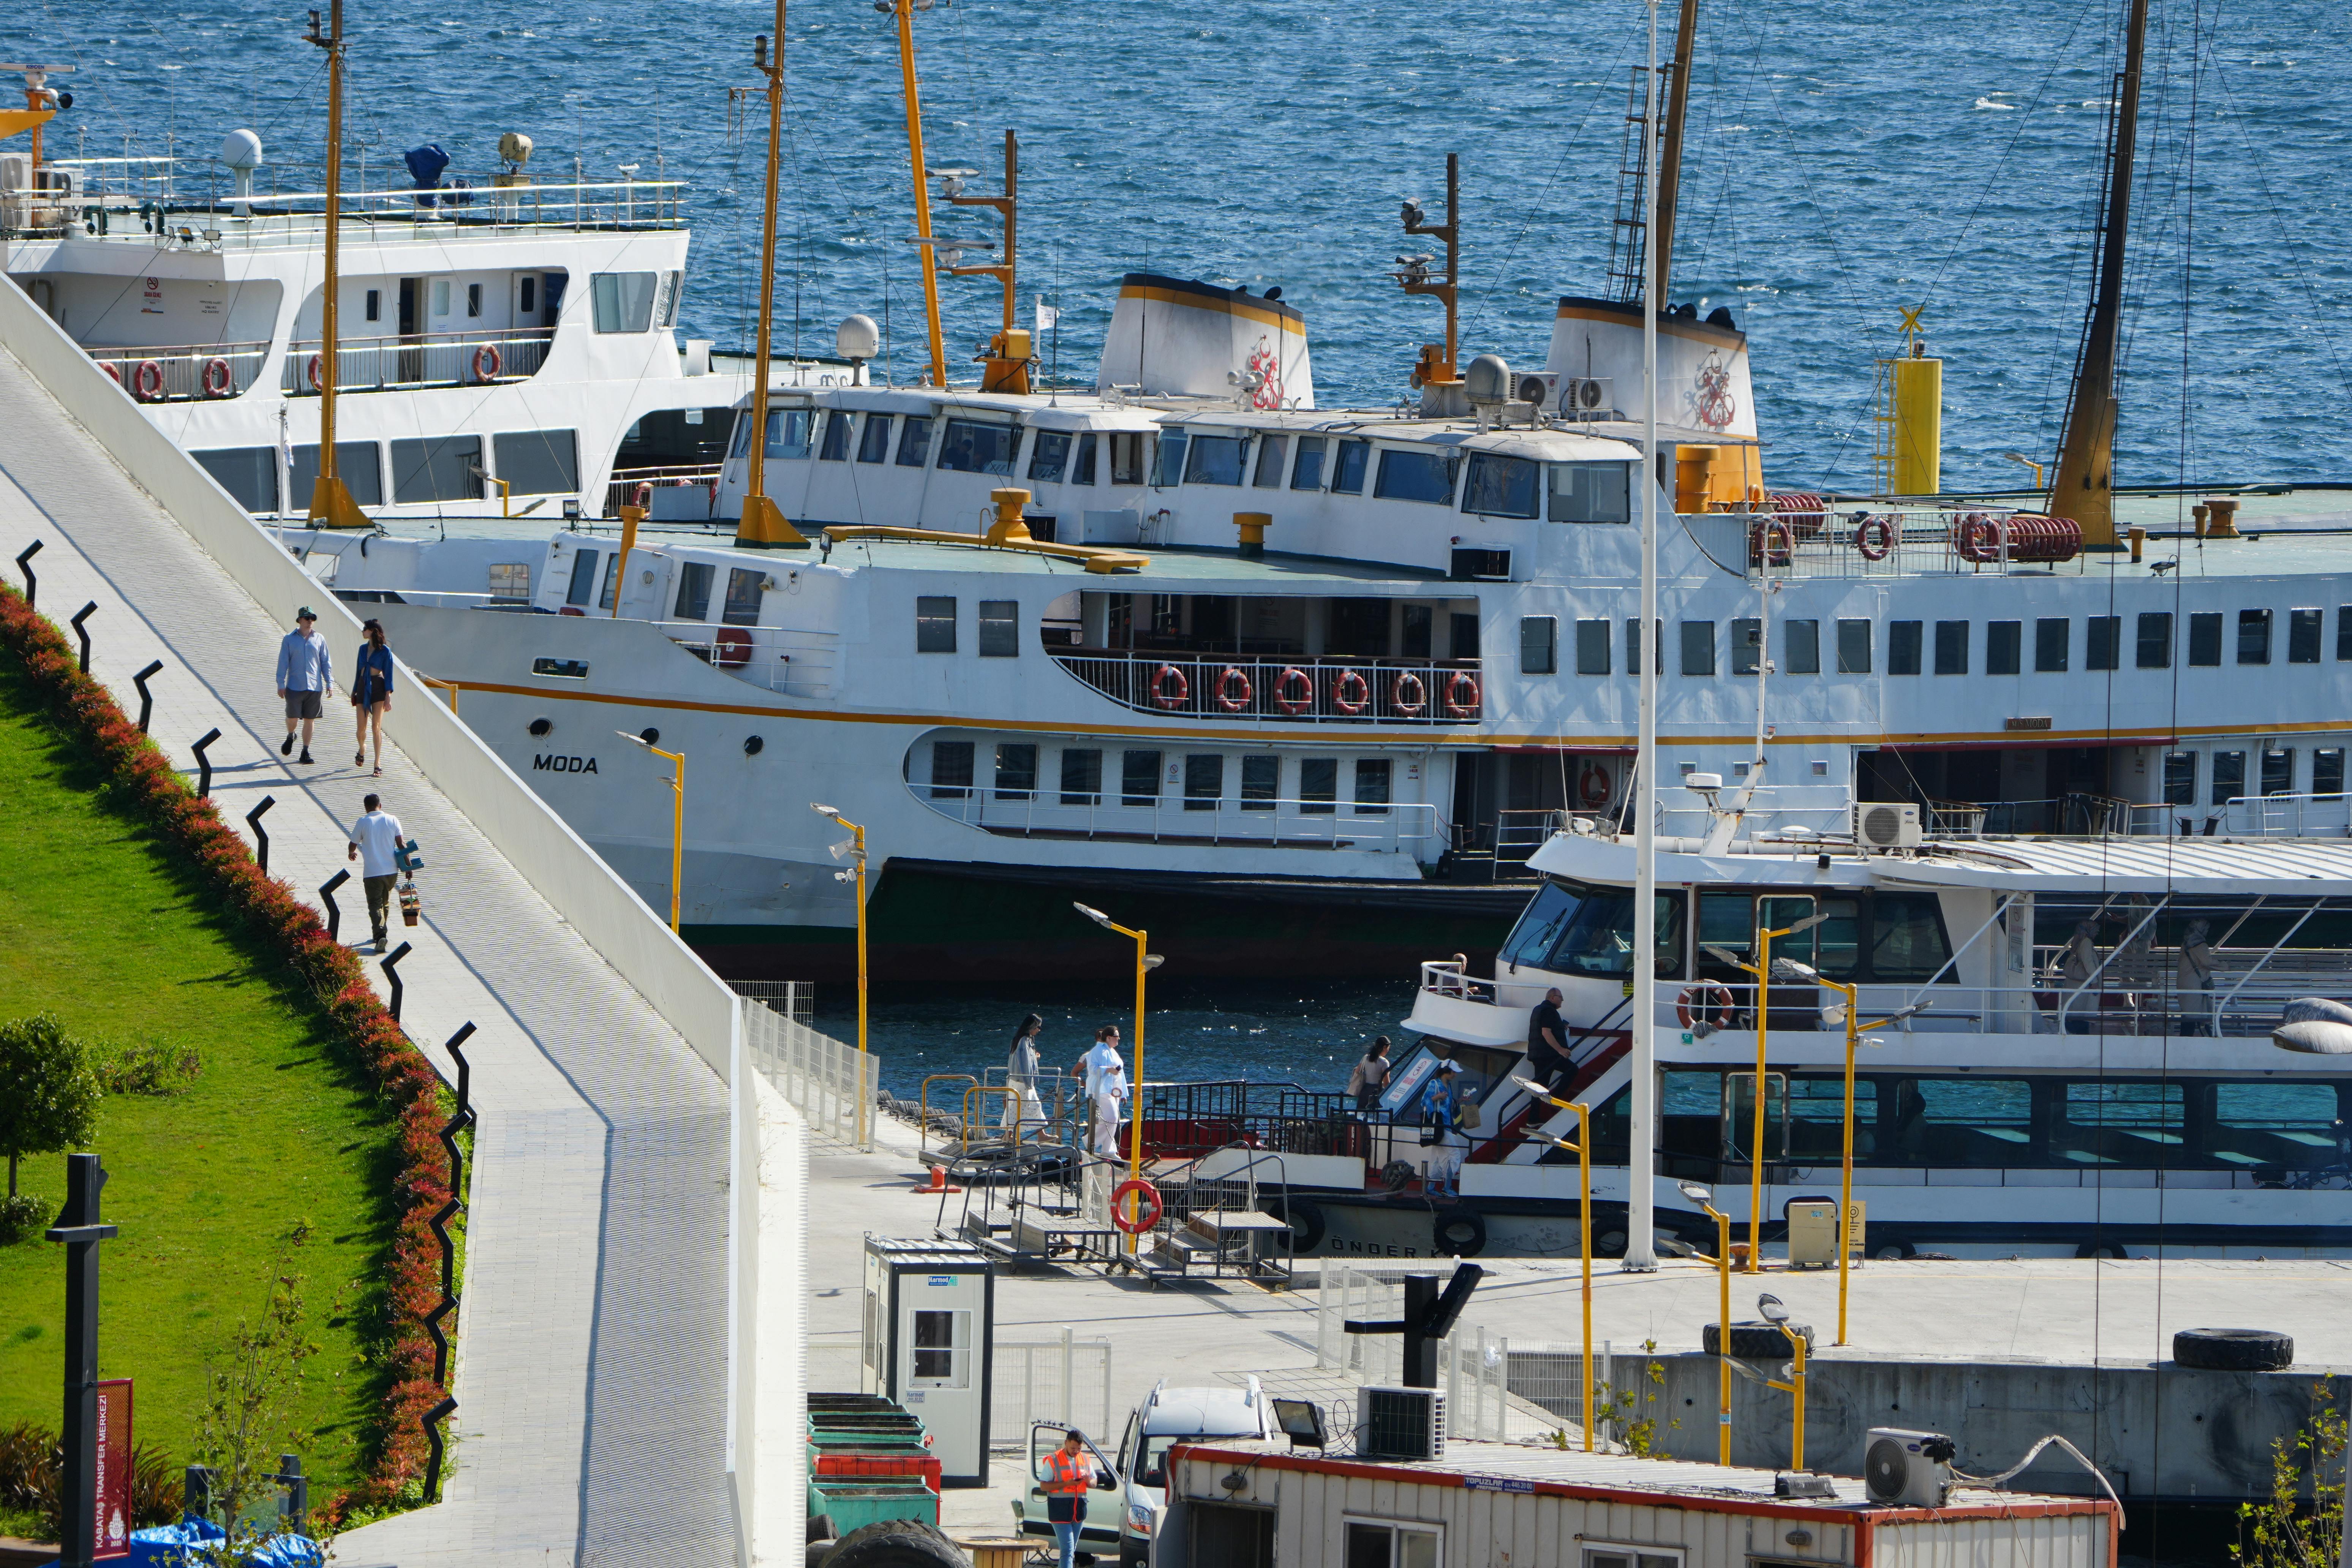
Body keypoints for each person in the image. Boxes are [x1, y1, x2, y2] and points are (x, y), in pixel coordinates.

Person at [346, 792, 410, 954]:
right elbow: (402, 844)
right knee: (385, 902)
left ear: (366, 808)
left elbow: (353, 844)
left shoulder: (363, 821)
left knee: (375, 904)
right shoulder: (392, 819)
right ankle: (380, 933)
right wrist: (409, 867)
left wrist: (351, 853)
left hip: (372, 872)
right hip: (391, 871)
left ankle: (381, 934)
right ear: (380, 806)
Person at [275, 606, 333, 765]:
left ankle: (305, 751)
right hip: (295, 686)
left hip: (315, 687)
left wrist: (329, 682)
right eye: (307, 618)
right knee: (292, 717)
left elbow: (325, 662)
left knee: (310, 720)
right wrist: (281, 683)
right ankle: (291, 734)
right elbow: (283, 662)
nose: (310, 621)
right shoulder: (289, 639)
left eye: (312, 618)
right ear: (300, 620)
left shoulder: (319, 639)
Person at [1038, 1428, 1097, 1568]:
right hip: (1060, 1513)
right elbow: (1043, 1486)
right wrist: (1067, 1483)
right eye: (1073, 1448)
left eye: (1079, 1448)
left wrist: (1089, 1481)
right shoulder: (1053, 1460)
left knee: (1070, 1551)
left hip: (1079, 1513)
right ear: (1066, 1443)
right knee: (1068, 1550)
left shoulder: (1085, 1459)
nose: (1076, 1451)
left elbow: (1094, 1482)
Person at [351, 617, 395, 777]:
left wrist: (388, 696)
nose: (363, 632)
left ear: (372, 632)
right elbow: (358, 671)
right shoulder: (362, 649)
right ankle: (362, 748)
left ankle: (377, 763)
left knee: (376, 726)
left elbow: (389, 675)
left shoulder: (385, 652)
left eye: (365, 629)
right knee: (360, 729)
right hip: (363, 686)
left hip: (378, 687)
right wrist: (355, 690)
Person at [1419, 1061, 1462, 1197]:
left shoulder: (1448, 1086)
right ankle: (1447, 1187)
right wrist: (1438, 1097)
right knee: (1454, 1155)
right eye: (1454, 1072)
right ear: (1446, 1072)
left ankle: (1432, 1187)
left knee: (1438, 1159)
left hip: (1444, 1126)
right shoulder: (1435, 1084)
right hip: (1441, 1126)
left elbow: (1449, 1105)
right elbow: (1424, 1102)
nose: (1455, 1075)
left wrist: (1461, 1100)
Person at [1005, 1013, 1045, 1133]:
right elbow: (1024, 1062)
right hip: (1023, 1082)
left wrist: (1034, 1057)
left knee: (1019, 1108)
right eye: (1038, 1027)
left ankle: (1008, 1134)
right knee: (1026, 1107)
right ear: (1032, 1027)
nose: (1039, 1030)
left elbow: (1023, 1059)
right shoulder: (1024, 1041)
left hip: (1017, 1080)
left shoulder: (1019, 1039)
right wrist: (1029, 1083)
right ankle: (1008, 1134)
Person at [2178, 919, 2217, 1036]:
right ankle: (2205, 1037)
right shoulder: (2201, 945)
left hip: (2185, 983)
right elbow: (2207, 962)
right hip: (2195, 985)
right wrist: (2226, 966)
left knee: (2188, 1012)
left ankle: (2186, 1037)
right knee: (2198, 1013)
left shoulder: (2186, 944)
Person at [1526, 987, 1570, 1089]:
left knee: (1540, 1087)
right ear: (1553, 998)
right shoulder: (1549, 1010)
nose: (1562, 1000)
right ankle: (1557, 1098)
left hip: (1539, 1054)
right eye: (1561, 997)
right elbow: (1546, 1032)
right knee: (1572, 1070)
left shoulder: (1539, 1009)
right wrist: (1561, 1050)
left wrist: (1560, 1027)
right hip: (1548, 1055)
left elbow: (1541, 1028)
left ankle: (1539, 1105)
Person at [1347, 1037, 1392, 1114]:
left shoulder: (1366, 1058)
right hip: (1376, 1093)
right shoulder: (1384, 1063)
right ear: (1385, 1047)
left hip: (1365, 1091)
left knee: (1359, 1116)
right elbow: (1386, 1083)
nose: (1388, 1050)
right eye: (1388, 1048)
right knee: (1374, 1117)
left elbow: (1357, 1071)